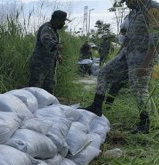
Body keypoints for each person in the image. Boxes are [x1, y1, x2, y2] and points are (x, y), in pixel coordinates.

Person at [82, 0, 159, 134]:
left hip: (143, 56)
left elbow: (156, 39)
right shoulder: (134, 11)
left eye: (127, 0)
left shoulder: (153, 8)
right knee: (104, 72)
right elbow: (128, 37)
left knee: (139, 89)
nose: (126, 3)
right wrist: (117, 56)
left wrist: (146, 64)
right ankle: (96, 106)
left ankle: (145, 124)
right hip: (127, 53)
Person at [28, 10, 70, 94]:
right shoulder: (47, 28)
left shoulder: (54, 31)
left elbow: (53, 47)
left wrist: (58, 55)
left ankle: (48, 106)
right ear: (56, 19)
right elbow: (45, 39)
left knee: (49, 89)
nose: (64, 23)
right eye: (62, 21)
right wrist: (55, 45)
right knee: (35, 89)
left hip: (50, 66)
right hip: (39, 65)